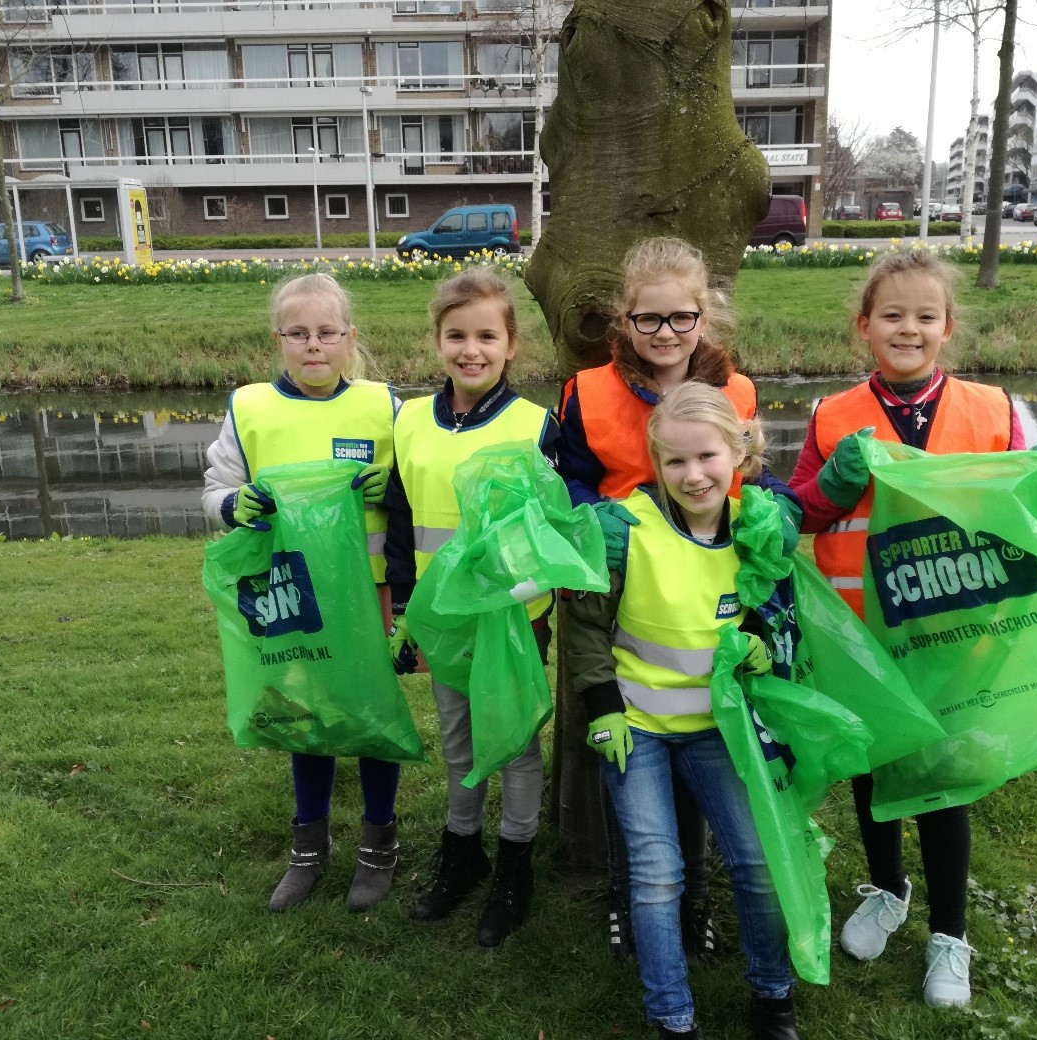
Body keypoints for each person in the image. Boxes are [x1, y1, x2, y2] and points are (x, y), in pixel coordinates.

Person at [788, 248, 1025, 1008]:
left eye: (925, 316)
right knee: (873, 769)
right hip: (860, 638)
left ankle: (949, 935)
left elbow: (1020, 516)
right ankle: (887, 888)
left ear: (946, 327)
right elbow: (801, 512)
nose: (908, 328)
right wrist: (828, 485)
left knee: (942, 782)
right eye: (891, 315)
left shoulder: (991, 411)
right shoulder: (832, 415)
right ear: (864, 327)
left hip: (953, 637)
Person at [557, 236, 797, 962]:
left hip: (706, 586)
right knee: (625, 740)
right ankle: (630, 895)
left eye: (681, 318)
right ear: (623, 321)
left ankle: (694, 901)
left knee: (705, 738)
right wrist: (594, 529)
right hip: (619, 585)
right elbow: (565, 478)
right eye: (649, 319)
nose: (665, 334)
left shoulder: (741, 391)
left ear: (705, 316)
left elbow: (748, 481)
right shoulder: (585, 390)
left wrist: (772, 511)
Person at [566, 381, 802, 1040]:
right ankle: (671, 1017)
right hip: (634, 730)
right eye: (674, 462)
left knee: (755, 863)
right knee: (656, 873)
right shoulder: (624, 529)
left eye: (706, 457)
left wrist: (759, 632)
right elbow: (585, 628)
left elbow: (771, 602)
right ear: (655, 463)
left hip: (714, 731)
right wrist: (602, 708)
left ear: (737, 452)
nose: (692, 475)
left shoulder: (756, 527)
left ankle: (772, 996)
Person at [201, 272, 404, 914]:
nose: (313, 346)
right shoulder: (250, 406)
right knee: (303, 713)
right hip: (287, 589)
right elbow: (214, 488)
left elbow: (418, 479)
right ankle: (308, 849)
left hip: (365, 590)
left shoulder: (383, 405)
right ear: (278, 339)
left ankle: (378, 846)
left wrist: (392, 490)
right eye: (299, 334)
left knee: (370, 711)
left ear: (349, 339)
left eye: (327, 333)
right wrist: (235, 504)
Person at [385, 267, 560, 949]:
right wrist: (406, 612)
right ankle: (462, 851)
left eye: (486, 335)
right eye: (456, 335)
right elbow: (401, 524)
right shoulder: (408, 422)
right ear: (437, 341)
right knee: (457, 741)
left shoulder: (536, 427)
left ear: (511, 344)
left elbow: (552, 528)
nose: (471, 349)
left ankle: (514, 862)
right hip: (443, 620)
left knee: (512, 742)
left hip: (513, 621)